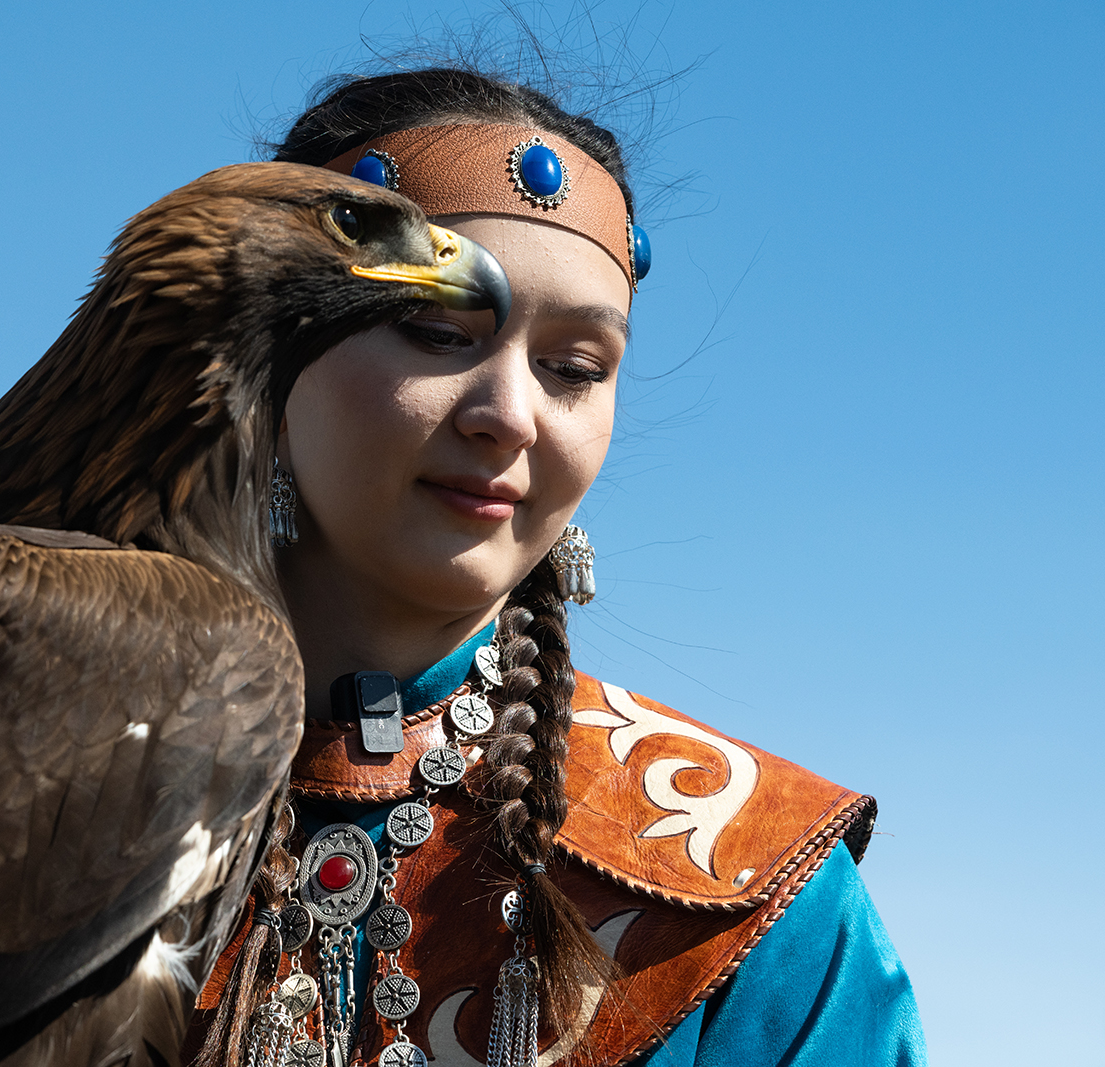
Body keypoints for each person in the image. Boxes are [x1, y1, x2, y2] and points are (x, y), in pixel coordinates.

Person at [184, 69, 927, 1067]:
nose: (512, 411)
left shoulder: (754, 891)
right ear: (263, 360)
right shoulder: (23, 797)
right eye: (437, 333)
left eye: (574, 365)